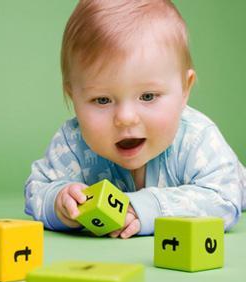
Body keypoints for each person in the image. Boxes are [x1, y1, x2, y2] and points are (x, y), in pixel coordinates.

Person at [24, 0, 246, 238]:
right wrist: (59, 200)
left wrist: (145, 207)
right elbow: (37, 189)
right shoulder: (73, 142)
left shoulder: (195, 138)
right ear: (74, 97)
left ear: (184, 89)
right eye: (102, 100)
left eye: (148, 96)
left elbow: (224, 198)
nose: (125, 118)